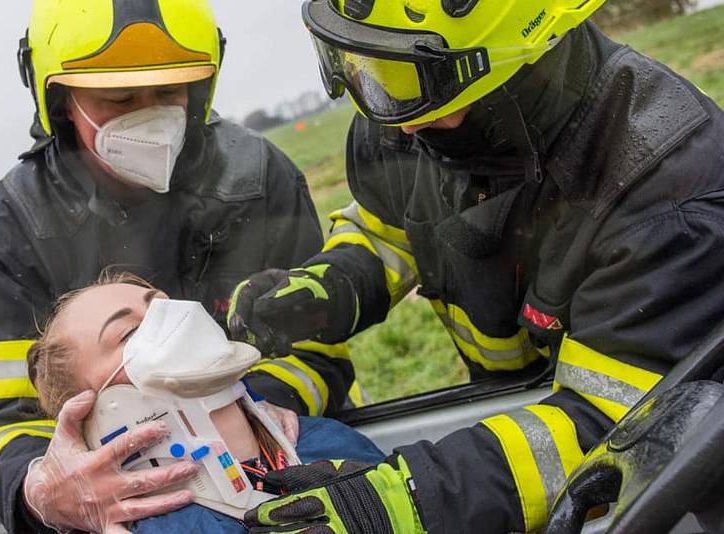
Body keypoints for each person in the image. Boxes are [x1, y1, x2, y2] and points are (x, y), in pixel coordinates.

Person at [229, 0, 724, 533]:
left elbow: (618, 429)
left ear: (516, 65)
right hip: (503, 397)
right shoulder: (416, 112)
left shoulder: (667, 195)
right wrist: (336, 285)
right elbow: (386, 226)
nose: (384, 112)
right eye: (355, 64)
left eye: (393, 75)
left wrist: (412, 500)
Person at [0, 1, 354, 532]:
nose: (151, 114)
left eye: (169, 92)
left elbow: (316, 344)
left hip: (293, 457)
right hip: (129, 501)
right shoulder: (9, 229)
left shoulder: (259, 179)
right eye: (119, 97)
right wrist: (43, 489)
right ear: (61, 98)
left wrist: (249, 414)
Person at [25, 273, 384, 533]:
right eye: (130, 333)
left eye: (164, 306)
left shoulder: (332, 443)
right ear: (101, 413)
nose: (175, 321)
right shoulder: (163, 529)